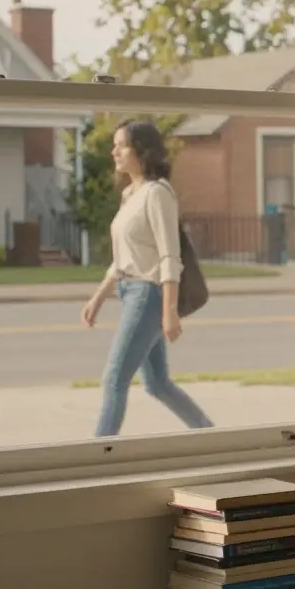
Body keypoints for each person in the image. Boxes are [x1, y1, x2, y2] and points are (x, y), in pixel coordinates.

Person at [82, 119, 214, 437]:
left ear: (141, 151)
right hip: (131, 291)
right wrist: (98, 297)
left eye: (121, 145)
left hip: (148, 295)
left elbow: (170, 257)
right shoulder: (131, 194)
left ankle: (99, 457)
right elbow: (123, 259)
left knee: (114, 380)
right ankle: (209, 435)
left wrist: (169, 311)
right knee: (157, 384)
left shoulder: (158, 194)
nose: (114, 151)